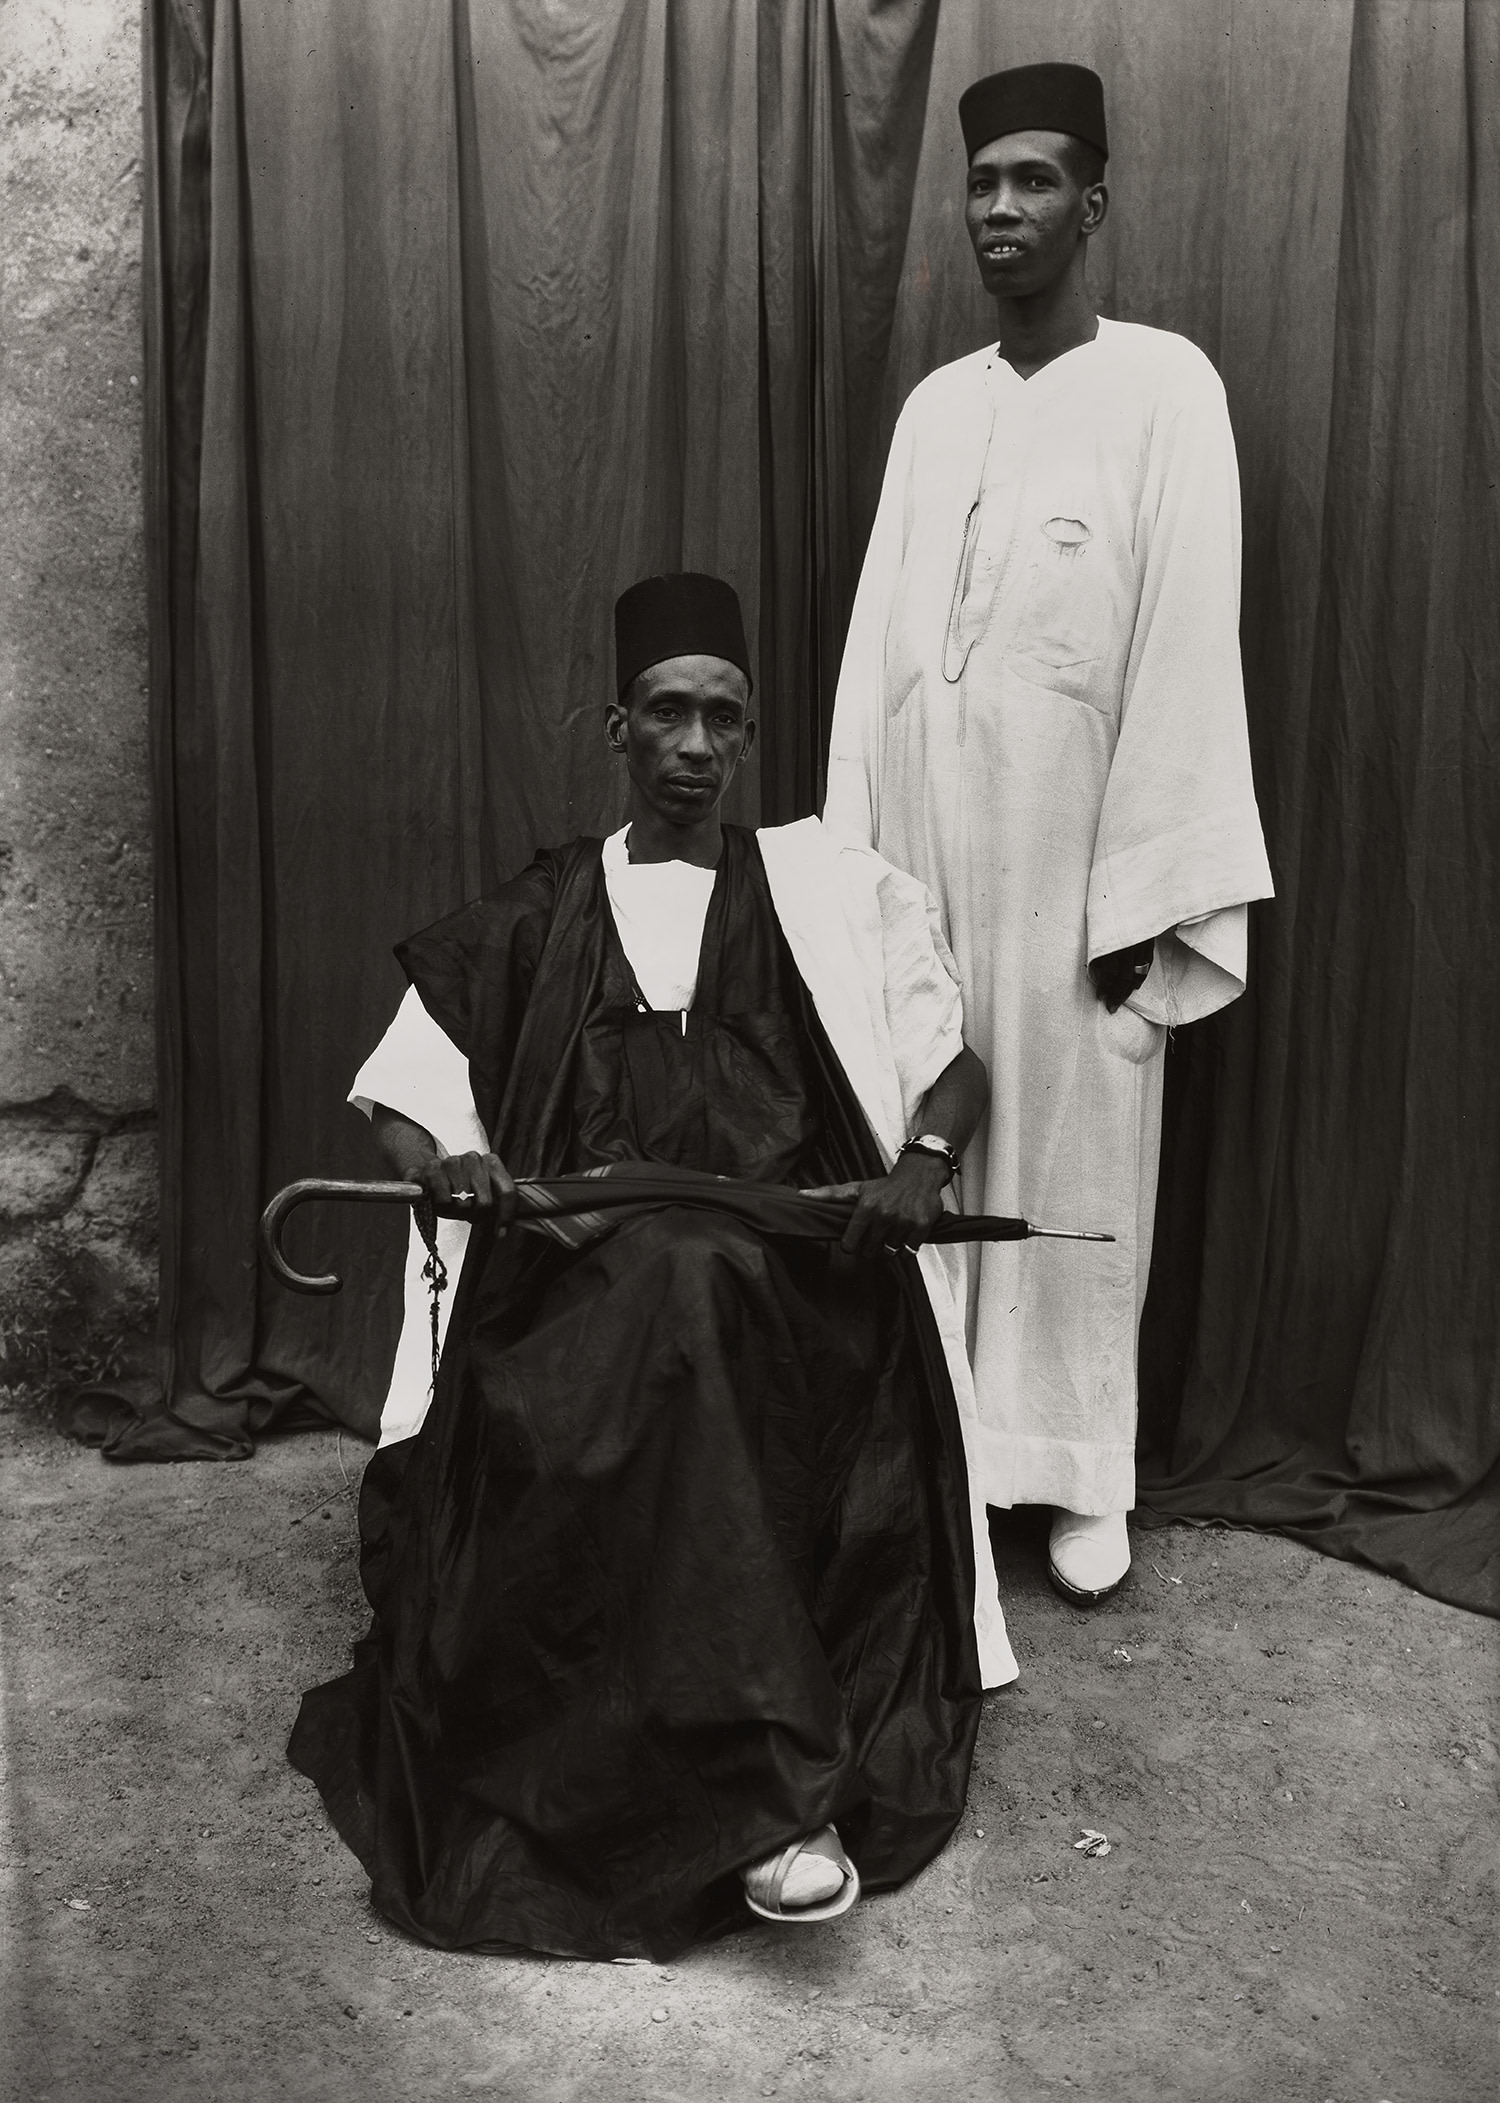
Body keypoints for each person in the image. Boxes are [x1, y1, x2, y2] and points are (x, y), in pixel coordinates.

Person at [289, 572, 1020, 1963]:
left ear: (749, 738)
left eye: (723, 719)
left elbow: (955, 1070)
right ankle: (774, 1801)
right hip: (573, 1292)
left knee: (700, 1284)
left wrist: (924, 1164)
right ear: (618, 727)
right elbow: (400, 1094)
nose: (696, 745)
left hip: (796, 1294)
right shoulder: (545, 907)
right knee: (674, 1283)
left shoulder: (828, 894)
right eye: (669, 714)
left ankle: (752, 1784)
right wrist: (448, 1164)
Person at [824, 64, 1274, 1605]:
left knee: (1075, 1162)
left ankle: (1082, 1476)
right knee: (922, 1139)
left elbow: (1187, 645)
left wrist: (1149, 900)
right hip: (932, 853)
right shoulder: (935, 411)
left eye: (1034, 181)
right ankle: (944, 1450)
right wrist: (853, 873)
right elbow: (877, 654)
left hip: (1079, 868)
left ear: (1094, 203)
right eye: (982, 183)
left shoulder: (1165, 390)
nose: (1000, 209)